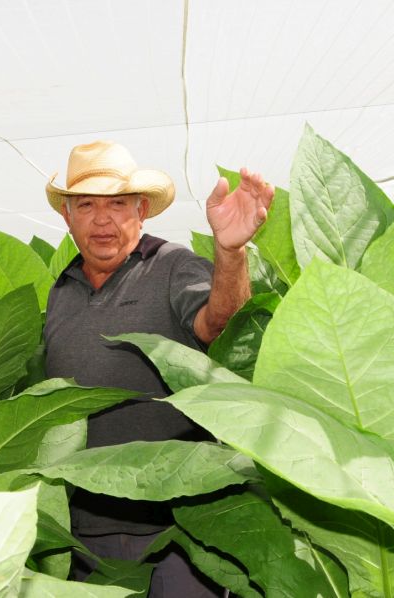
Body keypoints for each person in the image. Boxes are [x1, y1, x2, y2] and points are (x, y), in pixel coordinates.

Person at [43, 140, 273, 597]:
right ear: (67, 216)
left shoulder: (171, 266)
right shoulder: (61, 291)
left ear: (142, 210)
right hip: (83, 532)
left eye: (118, 204)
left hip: (177, 530)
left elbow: (222, 327)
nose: (102, 219)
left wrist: (231, 253)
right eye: (86, 205)